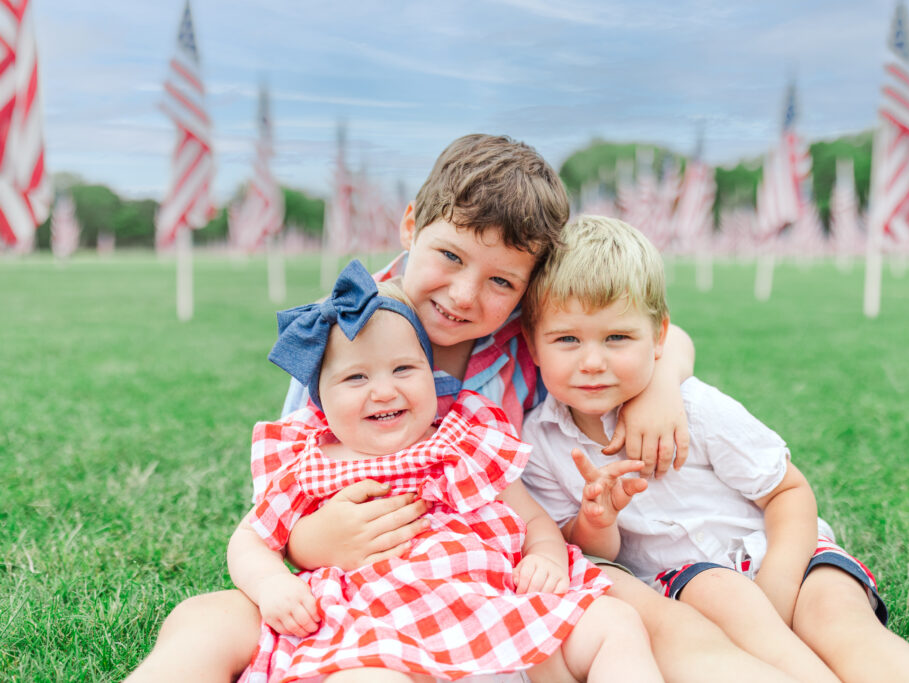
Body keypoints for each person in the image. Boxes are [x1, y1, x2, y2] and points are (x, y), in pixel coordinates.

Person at [127, 134, 697, 682]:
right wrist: (305, 548)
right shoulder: (339, 338)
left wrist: (661, 385)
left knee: (627, 618)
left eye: (501, 280)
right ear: (410, 226)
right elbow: (272, 516)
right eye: (449, 255)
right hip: (359, 593)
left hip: (489, 582)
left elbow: (647, 335)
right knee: (207, 622)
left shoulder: (508, 366)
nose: (465, 295)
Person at [518, 214, 909, 683]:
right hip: (690, 582)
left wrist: (778, 589)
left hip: (788, 553)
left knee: (837, 614)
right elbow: (590, 549)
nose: (592, 361)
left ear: (659, 337)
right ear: (532, 345)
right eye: (567, 339)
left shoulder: (692, 406)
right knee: (721, 591)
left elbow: (788, 493)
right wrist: (595, 519)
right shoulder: (541, 442)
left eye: (617, 338)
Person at [227, 260, 663, 682]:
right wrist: (270, 586)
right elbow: (250, 539)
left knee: (614, 623)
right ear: (318, 395)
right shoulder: (311, 459)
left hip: (502, 607)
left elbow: (531, 517)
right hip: (381, 632)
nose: (384, 390)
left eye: (404, 369)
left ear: (430, 372)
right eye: (356, 378)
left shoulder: (461, 439)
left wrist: (544, 555)